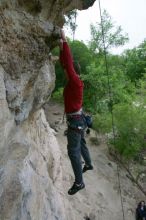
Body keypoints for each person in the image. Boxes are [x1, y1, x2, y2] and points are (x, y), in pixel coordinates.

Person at [59, 29, 93, 195]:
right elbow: (65, 64)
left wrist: (65, 41)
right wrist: (60, 47)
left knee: (73, 152)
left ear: (74, 73)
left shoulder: (75, 81)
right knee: (82, 143)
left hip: (76, 122)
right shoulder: (75, 83)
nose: (65, 72)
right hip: (79, 119)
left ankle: (79, 182)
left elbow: (68, 63)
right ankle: (88, 164)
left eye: (68, 71)